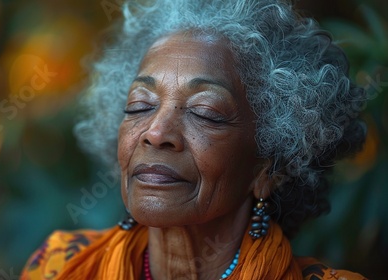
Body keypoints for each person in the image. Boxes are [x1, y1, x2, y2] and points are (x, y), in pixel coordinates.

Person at [21, 0, 369, 279]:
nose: (156, 133)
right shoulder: (58, 267)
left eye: (204, 112)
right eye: (139, 105)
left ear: (267, 169)